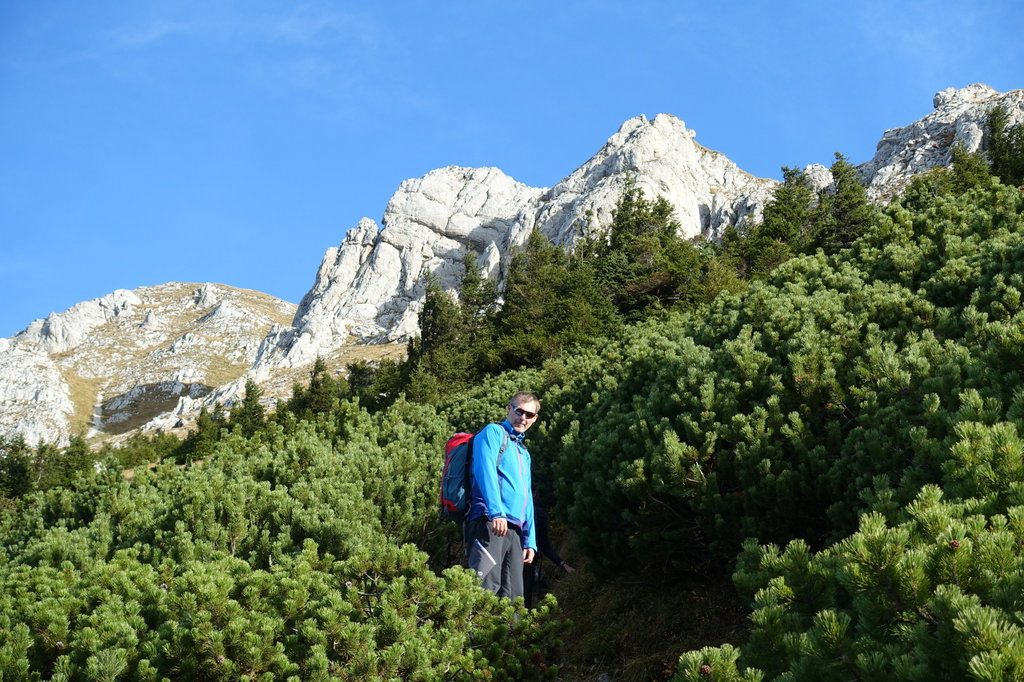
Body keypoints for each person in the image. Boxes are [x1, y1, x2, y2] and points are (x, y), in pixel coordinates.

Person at [464, 391, 540, 601]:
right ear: (509, 409)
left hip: (514, 531)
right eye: (519, 411)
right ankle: (476, 635)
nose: (523, 418)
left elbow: (527, 497)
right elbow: (484, 470)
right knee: (485, 591)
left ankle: (510, 635)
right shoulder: (493, 432)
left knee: (513, 598)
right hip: (489, 521)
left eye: (529, 415)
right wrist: (496, 512)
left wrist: (530, 540)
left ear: (535, 419)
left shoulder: (523, 451)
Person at [523, 504, 574, 608]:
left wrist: (564, 565)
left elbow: (545, 546)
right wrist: (564, 565)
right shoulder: (540, 515)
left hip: (517, 563)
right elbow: (546, 547)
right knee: (525, 596)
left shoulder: (518, 512)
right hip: (529, 564)